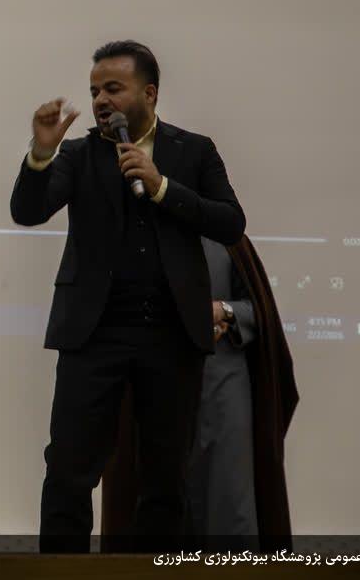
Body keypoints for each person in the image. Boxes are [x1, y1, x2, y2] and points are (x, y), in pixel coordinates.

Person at [10, 40, 246, 553]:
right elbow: (27, 212)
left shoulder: (193, 150)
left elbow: (231, 222)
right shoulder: (77, 154)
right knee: (69, 469)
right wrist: (41, 154)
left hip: (172, 334)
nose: (100, 100)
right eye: (95, 91)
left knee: (166, 477)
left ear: (150, 93)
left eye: (113, 88)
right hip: (93, 333)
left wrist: (162, 188)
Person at [102, 234, 299, 553]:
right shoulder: (140, 235)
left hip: (224, 388)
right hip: (157, 390)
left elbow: (260, 312)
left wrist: (223, 311)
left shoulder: (228, 238)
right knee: (159, 505)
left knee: (229, 500)